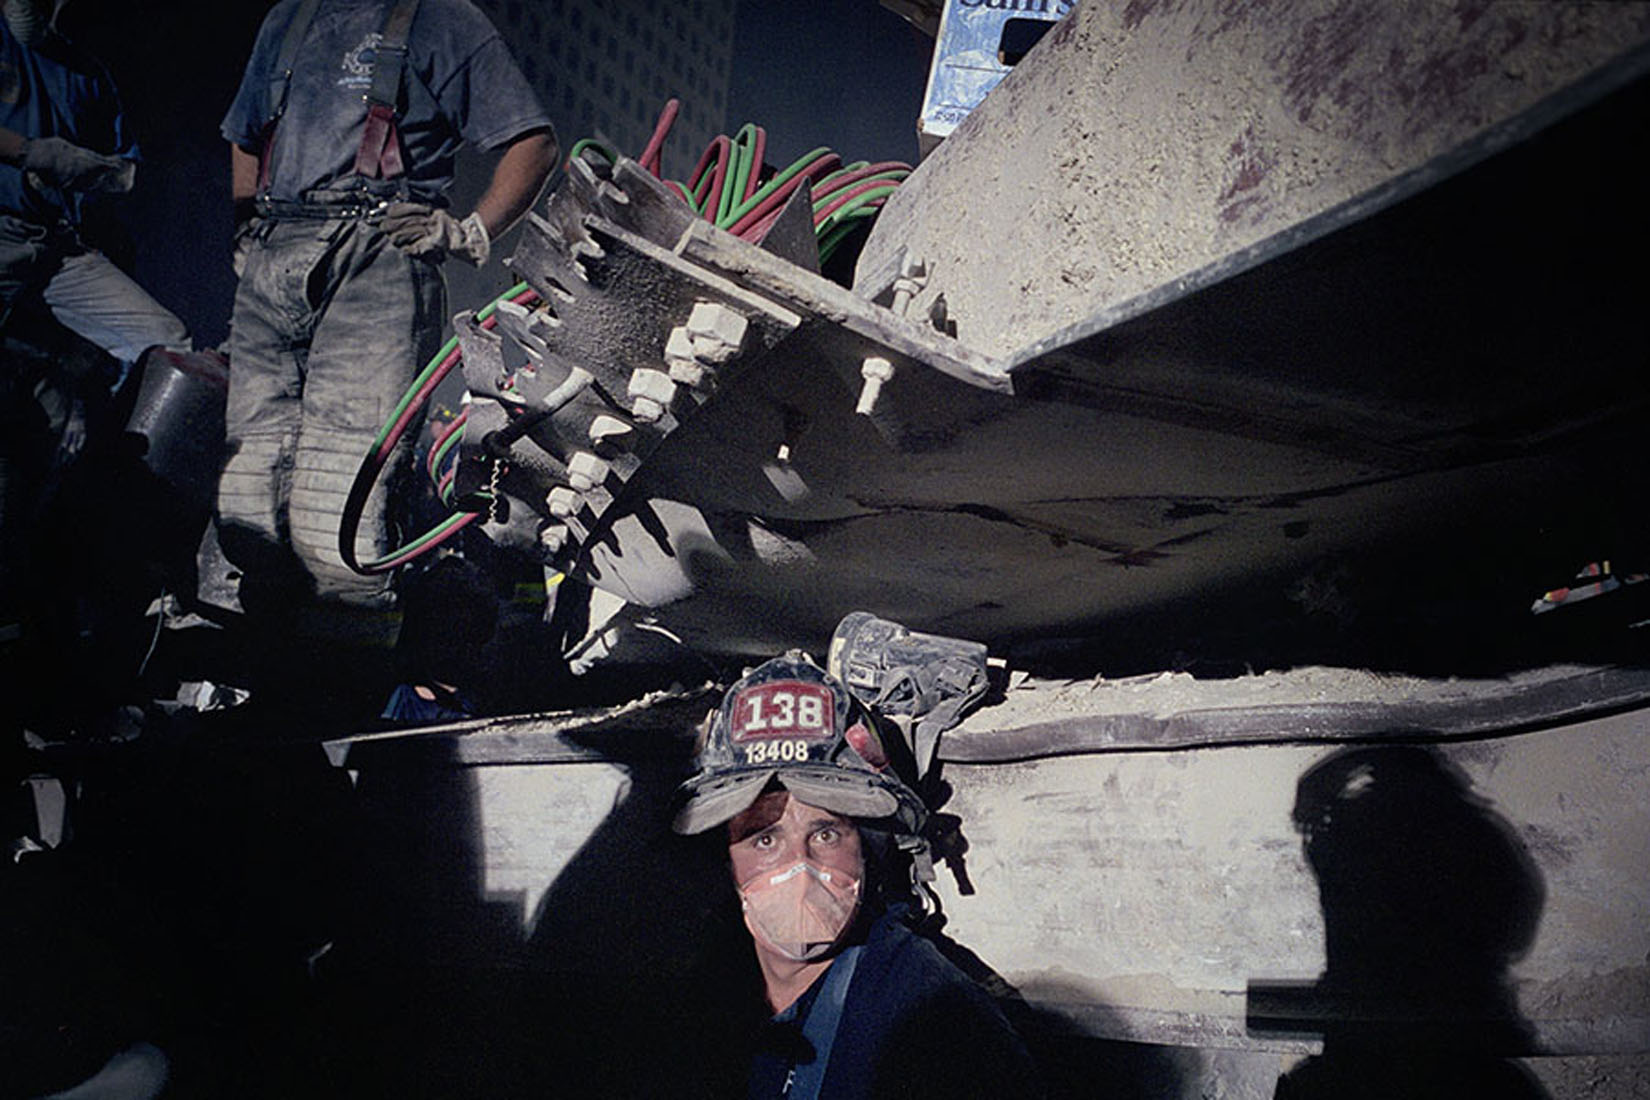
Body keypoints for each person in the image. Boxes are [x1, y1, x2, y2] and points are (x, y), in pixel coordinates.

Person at [216, 0, 556, 613]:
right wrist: (246, 228)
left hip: (377, 257)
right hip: (277, 254)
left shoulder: (442, 19)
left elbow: (532, 142)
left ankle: (334, 669)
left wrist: (468, 231)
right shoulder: (287, 18)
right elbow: (245, 136)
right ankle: (250, 650)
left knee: (342, 475)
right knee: (252, 465)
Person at [672, 652, 1042, 1100]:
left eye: (826, 833)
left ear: (868, 849)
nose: (800, 867)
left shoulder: (940, 1024)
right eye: (764, 839)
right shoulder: (698, 1004)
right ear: (725, 860)